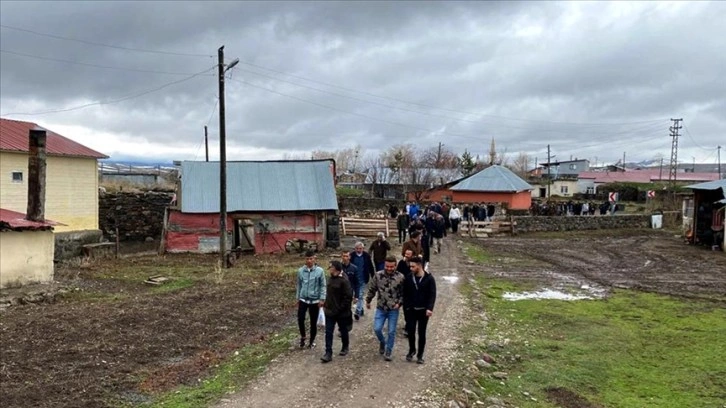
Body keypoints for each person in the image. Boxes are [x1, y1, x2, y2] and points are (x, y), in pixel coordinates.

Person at [366, 255, 405, 361]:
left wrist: (399, 303)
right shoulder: (378, 275)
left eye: (391, 267)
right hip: (381, 307)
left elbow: (404, 293)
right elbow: (372, 289)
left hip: (393, 308)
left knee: (391, 331)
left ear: (395, 266)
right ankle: (383, 342)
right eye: (387, 266)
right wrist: (368, 300)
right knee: (377, 329)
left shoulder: (400, 277)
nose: (389, 269)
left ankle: (388, 350)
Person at [403, 256, 436, 364]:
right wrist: (406, 307)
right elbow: (405, 293)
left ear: (419, 265)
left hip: (423, 311)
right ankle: (412, 350)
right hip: (411, 310)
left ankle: (420, 355)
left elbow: (432, 295)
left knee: (422, 333)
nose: (411, 268)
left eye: (413, 266)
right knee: (411, 331)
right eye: (410, 266)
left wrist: (429, 308)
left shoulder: (429, 279)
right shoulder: (409, 277)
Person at [321, 261, 354, 363]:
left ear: (336, 269)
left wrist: (340, 308)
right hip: (330, 311)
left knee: (343, 330)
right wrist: (326, 304)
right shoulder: (330, 279)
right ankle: (328, 353)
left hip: (341, 312)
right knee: (328, 332)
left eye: (331, 268)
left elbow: (348, 297)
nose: (330, 270)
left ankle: (345, 346)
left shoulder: (344, 281)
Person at [296, 250, 326, 349]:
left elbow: (323, 286)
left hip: (315, 300)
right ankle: (303, 336)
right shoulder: (301, 271)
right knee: (300, 318)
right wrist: (298, 297)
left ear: (314, 259)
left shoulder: (320, 271)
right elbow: (299, 285)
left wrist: (322, 299)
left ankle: (312, 340)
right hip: (303, 299)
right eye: (307, 259)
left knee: (313, 321)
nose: (309, 261)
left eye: (311, 258)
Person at [349, 242, 374, 320]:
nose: (359, 250)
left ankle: (357, 311)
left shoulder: (366, 256)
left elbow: (370, 266)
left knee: (360, 295)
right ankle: (361, 308)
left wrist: (373, 276)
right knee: (354, 295)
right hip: (353, 279)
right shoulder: (352, 256)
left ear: (363, 249)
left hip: (363, 278)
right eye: (357, 248)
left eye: (360, 248)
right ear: (355, 248)